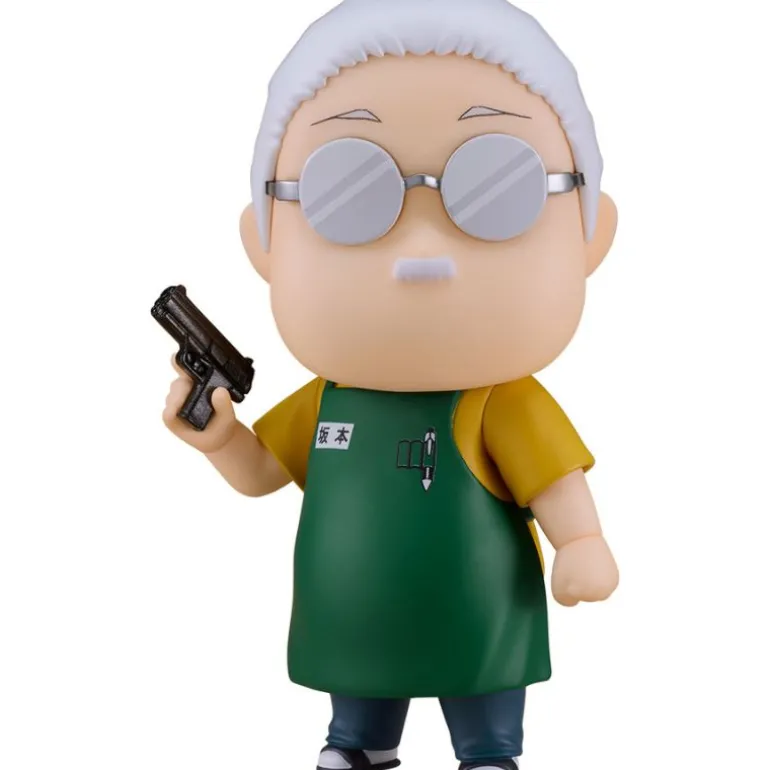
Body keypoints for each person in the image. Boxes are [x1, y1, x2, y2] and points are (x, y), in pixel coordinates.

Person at [162, 1, 620, 768]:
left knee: (481, 689)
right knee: (360, 681)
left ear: (590, 235)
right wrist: (219, 438)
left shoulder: (501, 402)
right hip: (354, 614)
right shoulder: (329, 399)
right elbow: (262, 473)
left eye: (497, 188)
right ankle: (358, 744)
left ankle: (487, 751)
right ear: (264, 247)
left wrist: (582, 542)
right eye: (347, 191)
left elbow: (556, 484)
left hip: (476, 612)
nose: (422, 249)